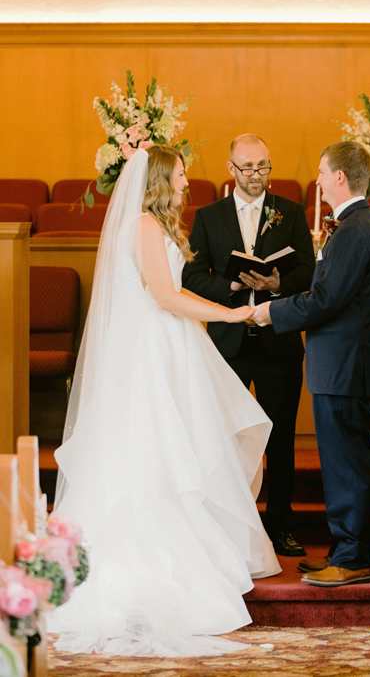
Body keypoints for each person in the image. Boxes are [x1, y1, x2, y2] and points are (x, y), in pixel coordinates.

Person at [48, 146, 281, 657]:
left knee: (182, 442)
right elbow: (165, 297)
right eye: (178, 175)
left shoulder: (154, 225)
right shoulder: (144, 226)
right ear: (158, 180)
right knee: (157, 447)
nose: (185, 182)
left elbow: (174, 292)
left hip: (169, 342)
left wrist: (220, 311)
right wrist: (232, 314)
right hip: (151, 349)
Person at [252, 141, 370, 587]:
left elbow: (327, 300)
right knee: (342, 462)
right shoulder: (353, 225)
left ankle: (352, 560)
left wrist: (272, 312)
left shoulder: (354, 230)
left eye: (322, 172)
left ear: (340, 178)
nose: (317, 181)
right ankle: (343, 549)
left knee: (347, 464)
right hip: (341, 363)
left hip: (344, 365)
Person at [182, 134, 315, 557]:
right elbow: (192, 277)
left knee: (280, 438)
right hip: (229, 346)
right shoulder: (208, 217)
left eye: (263, 166)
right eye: (248, 168)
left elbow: (309, 272)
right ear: (231, 168)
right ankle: (231, 527)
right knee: (227, 438)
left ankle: (281, 524)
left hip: (279, 343)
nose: (256, 175)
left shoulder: (290, 212)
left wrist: (278, 283)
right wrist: (232, 286)